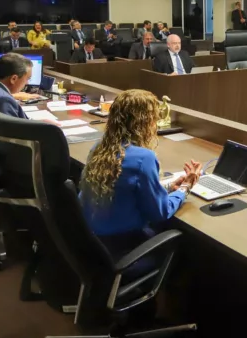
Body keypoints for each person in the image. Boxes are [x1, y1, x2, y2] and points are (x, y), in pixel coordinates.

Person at [79, 89, 202, 259]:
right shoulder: (144, 158)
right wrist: (185, 188)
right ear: (144, 123)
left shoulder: (99, 148)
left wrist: (167, 188)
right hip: (122, 246)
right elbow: (160, 212)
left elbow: (121, 189)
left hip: (91, 241)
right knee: (185, 246)